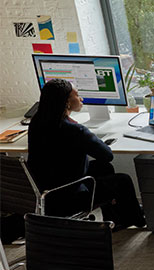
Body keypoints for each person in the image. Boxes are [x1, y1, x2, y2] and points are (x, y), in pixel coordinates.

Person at [27, 78, 146, 229]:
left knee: (103, 167)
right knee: (122, 180)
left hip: (47, 193)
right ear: (67, 103)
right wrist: (91, 139)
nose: (81, 98)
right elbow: (107, 154)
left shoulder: (37, 122)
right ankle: (137, 219)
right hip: (70, 195)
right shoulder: (74, 130)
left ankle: (116, 218)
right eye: (77, 95)